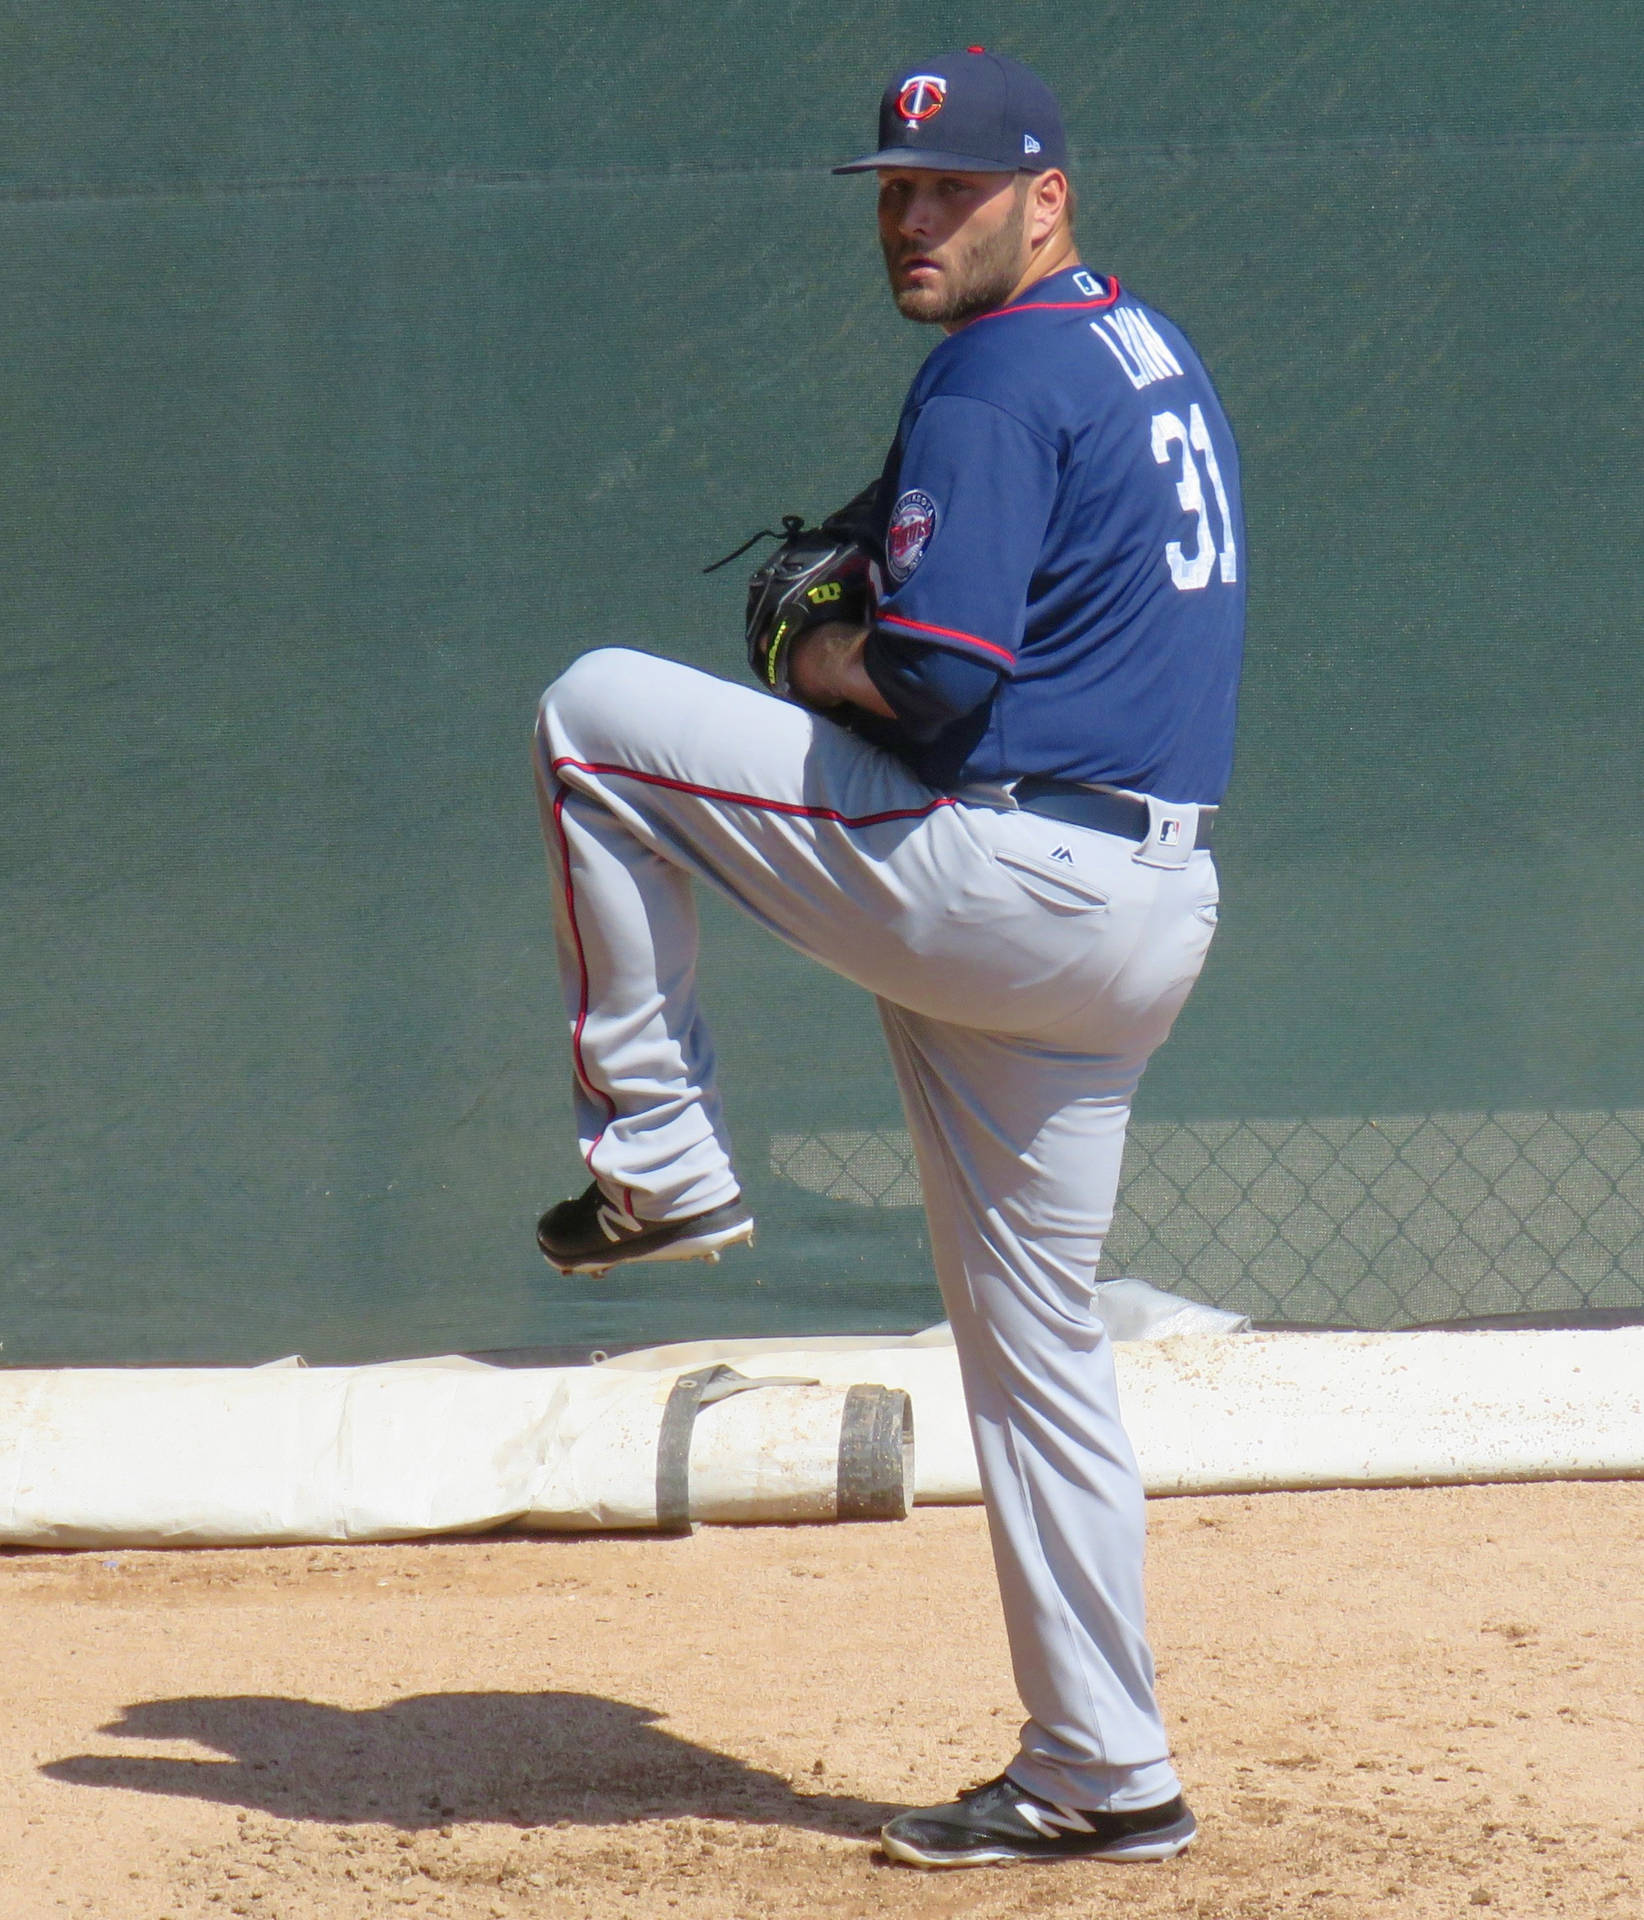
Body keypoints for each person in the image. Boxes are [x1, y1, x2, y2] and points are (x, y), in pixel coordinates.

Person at [532, 47, 1243, 1870]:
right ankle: (1107, 1770)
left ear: (1046, 194)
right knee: (1034, 1350)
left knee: (599, 717)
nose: (911, 218)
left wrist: (806, 664)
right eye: (893, 190)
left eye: (950, 188)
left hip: (1010, 875)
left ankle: (662, 1162)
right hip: (1145, 907)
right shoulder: (1135, 349)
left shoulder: (993, 376)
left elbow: (930, 695)